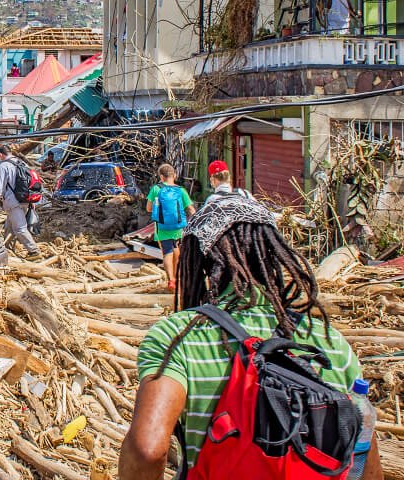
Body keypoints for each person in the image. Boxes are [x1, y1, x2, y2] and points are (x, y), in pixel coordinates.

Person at [120, 195, 382, 480]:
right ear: (272, 251)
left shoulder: (178, 338)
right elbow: (364, 458)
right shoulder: (328, 342)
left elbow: (147, 450)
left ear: (201, 260)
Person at [145, 163, 195, 291]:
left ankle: (171, 280)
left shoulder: (156, 189)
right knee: (176, 249)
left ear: (161, 176)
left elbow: (149, 208)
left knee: (167, 252)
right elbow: (190, 208)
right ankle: (178, 278)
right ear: (175, 175)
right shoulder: (180, 190)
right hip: (178, 226)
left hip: (161, 226)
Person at [0, 145, 42, 261]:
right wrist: (31, 200)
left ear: (0, 154)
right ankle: (7, 248)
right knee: (9, 225)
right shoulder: (22, 163)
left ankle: (34, 251)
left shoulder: (4, 166)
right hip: (25, 200)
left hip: (13, 202)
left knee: (20, 228)